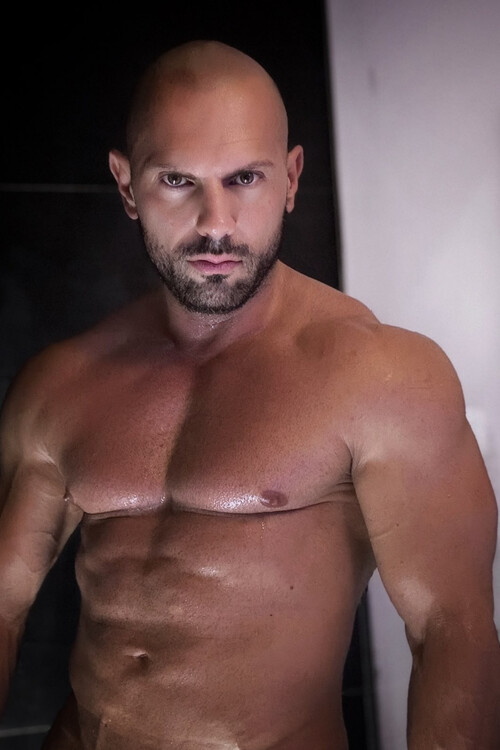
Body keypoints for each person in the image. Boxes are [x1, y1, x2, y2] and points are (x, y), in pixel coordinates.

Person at [0, 39, 499, 750]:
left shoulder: (382, 377)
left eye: (244, 178)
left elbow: (452, 630)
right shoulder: (61, 384)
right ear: (126, 184)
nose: (216, 222)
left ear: (291, 178)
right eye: (178, 179)